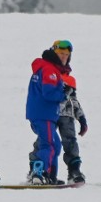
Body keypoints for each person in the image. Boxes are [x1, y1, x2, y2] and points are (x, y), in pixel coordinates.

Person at [26, 40, 69, 184]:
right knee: (49, 145)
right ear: (54, 53)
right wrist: (64, 94)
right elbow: (49, 93)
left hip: (43, 115)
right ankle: (39, 174)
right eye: (61, 54)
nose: (64, 57)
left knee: (55, 145)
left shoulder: (47, 68)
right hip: (43, 115)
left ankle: (50, 176)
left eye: (66, 55)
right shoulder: (49, 69)